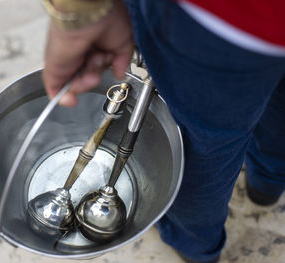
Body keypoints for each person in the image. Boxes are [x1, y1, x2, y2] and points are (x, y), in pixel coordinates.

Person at [41, 0, 285, 262]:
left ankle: (195, 247)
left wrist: (78, 15)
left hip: (218, 20)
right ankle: (268, 181)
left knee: (203, 149)